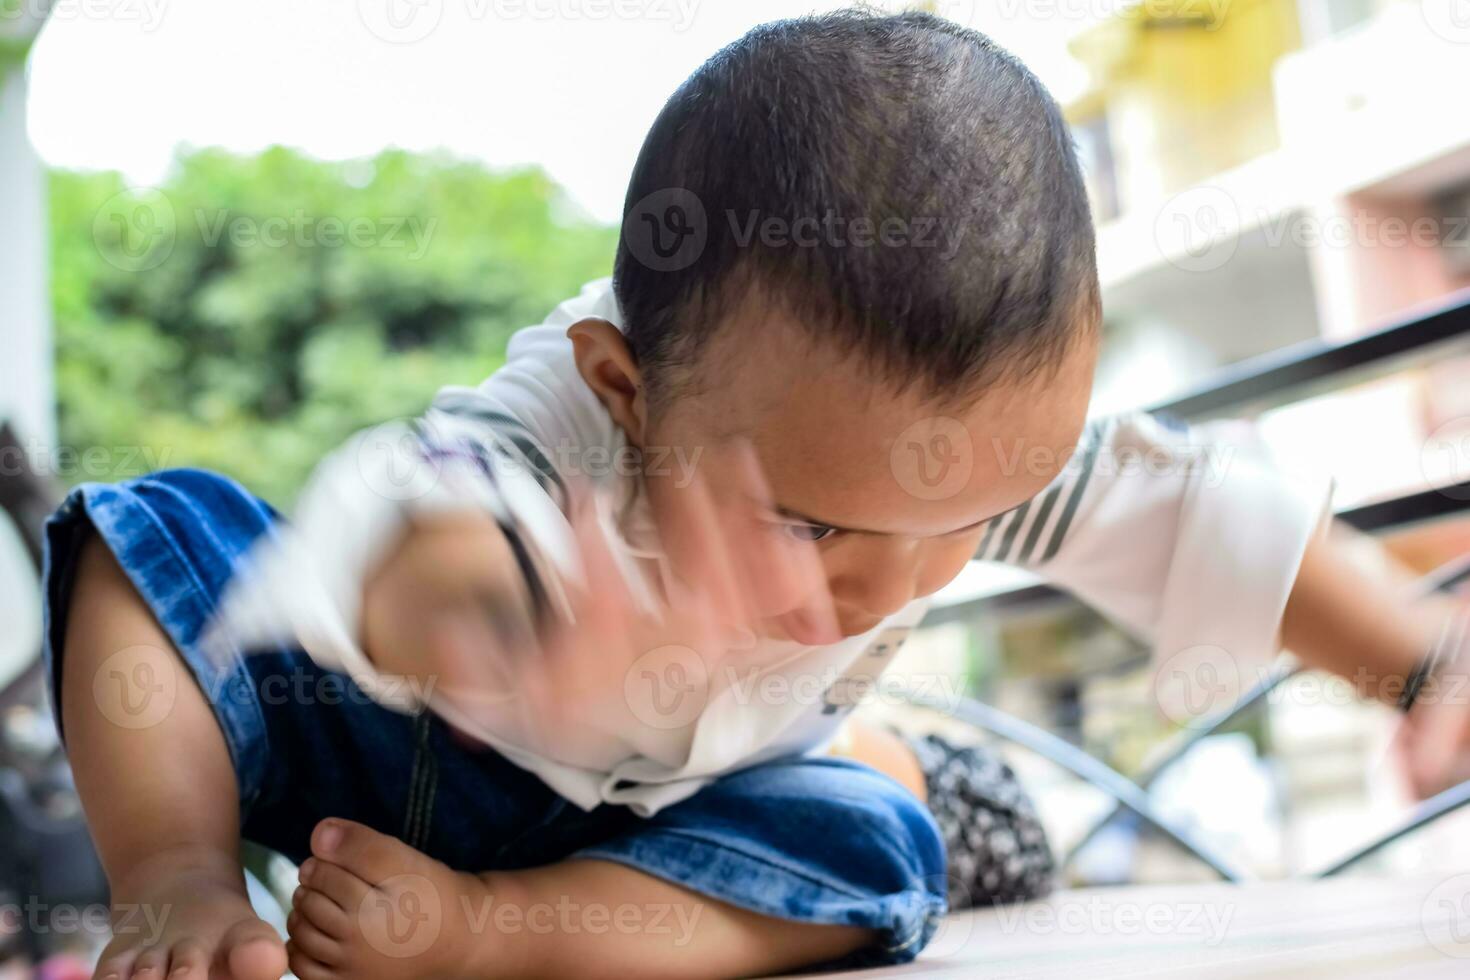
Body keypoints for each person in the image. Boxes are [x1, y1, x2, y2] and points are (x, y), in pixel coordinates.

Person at [42, 11, 1458, 980]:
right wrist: (521, 639)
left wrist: (1425, 671)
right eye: (814, 524)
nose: (891, 586)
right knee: (157, 533)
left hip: (645, 857)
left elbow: (1225, 530)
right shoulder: (558, 421)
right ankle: (176, 876)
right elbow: (420, 553)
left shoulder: (943, 469)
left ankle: (504, 937)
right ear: (625, 388)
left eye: (957, 524)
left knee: (871, 841)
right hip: (401, 760)